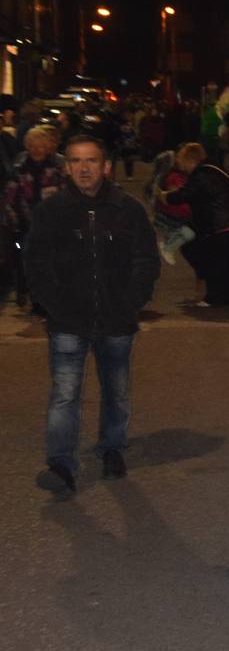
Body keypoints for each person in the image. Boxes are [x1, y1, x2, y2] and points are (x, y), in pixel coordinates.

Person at [25, 135, 159, 493]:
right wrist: (57, 305)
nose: (83, 168)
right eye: (75, 161)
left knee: (116, 391)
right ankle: (61, 465)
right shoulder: (50, 212)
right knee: (65, 394)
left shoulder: (127, 209)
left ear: (105, 166)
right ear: (66, 167)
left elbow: (146, 261)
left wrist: (131, 302)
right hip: (68, 321)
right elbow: (37, 264)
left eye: (90, 161)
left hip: (117, 320)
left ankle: (112, 448)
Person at [162, 142, 229, 306]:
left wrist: (166, 197)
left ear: (190, 160)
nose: (180, 166)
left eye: (181, 161)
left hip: (220, 223)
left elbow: (185, 194)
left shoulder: (201, 175)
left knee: (213, 260)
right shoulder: (214, 168)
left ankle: (214, 298)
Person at [4, 126, 63, 318]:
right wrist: (13, 218)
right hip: (26, 224)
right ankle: (36, 301)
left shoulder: (58, 167)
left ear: (48, 147)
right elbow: (10, 195)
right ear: (27, 147)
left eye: (41, 146)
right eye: (33, 146)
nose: (37, 150)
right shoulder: (19, 167)